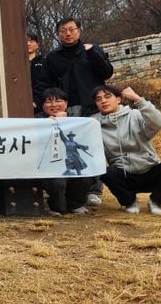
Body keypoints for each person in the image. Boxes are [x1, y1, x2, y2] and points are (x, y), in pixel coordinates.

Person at [35, 17, 113, 206]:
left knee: (93, 147)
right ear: (58, 34)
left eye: (71, 29)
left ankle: (94, 190)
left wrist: (93, 53)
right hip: (66, 109)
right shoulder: (52, 57)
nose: (68, 33)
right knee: (69, 148)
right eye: (63, 30)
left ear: (79, 30)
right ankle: (72, 190)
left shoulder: (93, 51)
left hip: (91, 107)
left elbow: (106, 73)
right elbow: (45, 84)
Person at [92, 85, 161, 215]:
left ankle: (156, 201)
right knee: (106, 172)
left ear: (119, 99)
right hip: (124, 174)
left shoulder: (135, 115)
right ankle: (130, 201)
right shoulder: (94, 124)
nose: (103, 101)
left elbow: (158, 123)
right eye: (99, 99)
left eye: (108, 96)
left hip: (149, 170)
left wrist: (138, 99)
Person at [37, 87, 94, 215]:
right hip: (47, 165)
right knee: (57, 182)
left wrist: (65, 121)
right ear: (43, 105)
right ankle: (57, 207)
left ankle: (75, 204)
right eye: (49, 101)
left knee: (85, 176)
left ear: (67, 104)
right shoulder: (36, 120)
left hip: (71, 160)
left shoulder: (77, 119)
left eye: (58, 101)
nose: (54, 105)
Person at [27, 33, 45, 114]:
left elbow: (44, 84)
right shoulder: (14, 64)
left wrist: (36, 102)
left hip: (40, 106)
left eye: (31, 41)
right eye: (25, 41)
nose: (28, 43)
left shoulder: (45, 62)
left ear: (37, 44)